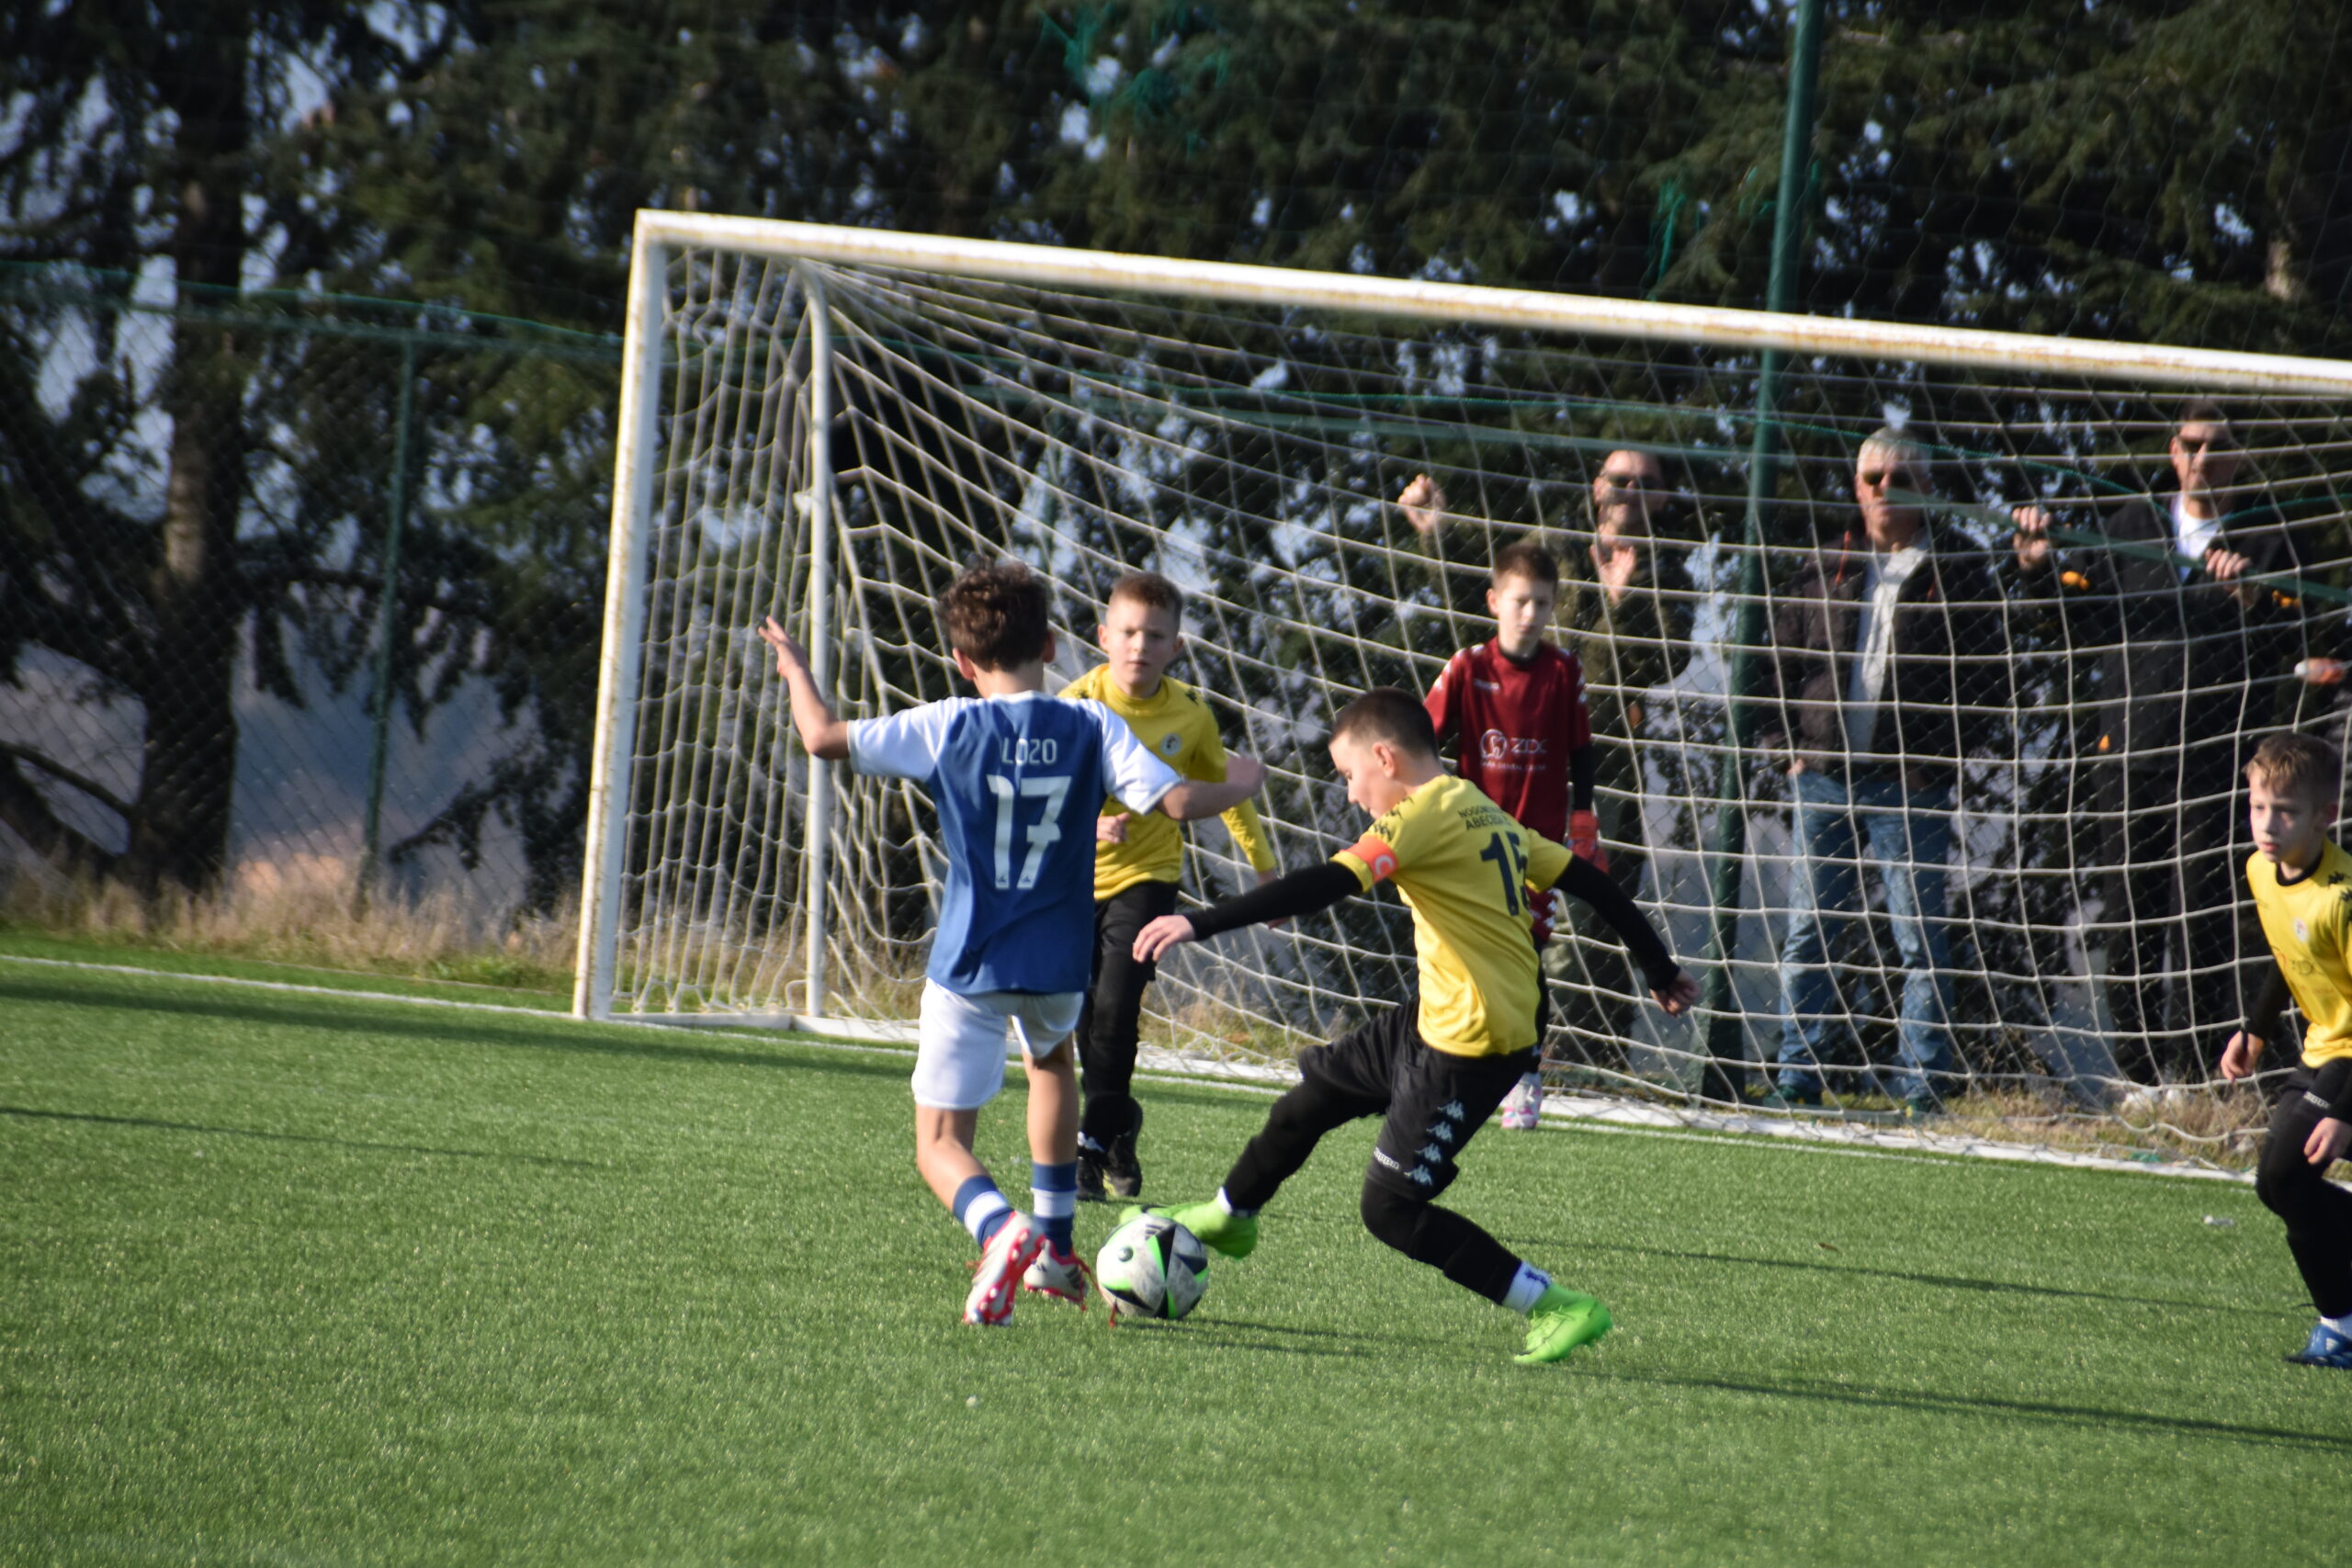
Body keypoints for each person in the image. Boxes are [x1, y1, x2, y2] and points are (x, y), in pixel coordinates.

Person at [757, 560, 1265, 1325]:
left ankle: (1000, 1227)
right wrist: (1242, 785)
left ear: (963, 662)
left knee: (938, 1141)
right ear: (1053, 645)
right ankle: (1055, 1248)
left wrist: (797, 669)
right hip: (1058, 961)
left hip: (970, 961)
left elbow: (821, 737)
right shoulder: (1092, 723)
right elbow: (1178, 799)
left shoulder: (947, 723)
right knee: (1053, 1063)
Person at [1125, 687, 1699, 1364]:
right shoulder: (1479, 807)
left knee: (1391, 1208)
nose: (1350, 794)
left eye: (1349, 775)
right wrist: (1659, 967)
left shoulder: (1420, 816)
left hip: (1473, 1042)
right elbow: (1592, 883)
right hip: (1437, 1015)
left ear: (1385, 758)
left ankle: (1557, 1304)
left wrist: (1199, 921)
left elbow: (1329, 882)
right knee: (1317, 1091)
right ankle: (1230, 1215)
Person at [2018, 400, 2315, 1080]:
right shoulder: (2130, 524)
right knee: (2130, 920)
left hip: (2217, 762)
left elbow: (2297, 643)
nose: (2204, 457)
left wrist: (2252, 602)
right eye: (2192, 444)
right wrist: (2035, 567)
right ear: (2172, 451)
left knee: (2201, 921)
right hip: (2127, 755)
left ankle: (2196, 1075)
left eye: (2219, 446)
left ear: (2240, 456)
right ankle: (2139, 1075)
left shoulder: (2270, 538)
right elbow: (2073, 620)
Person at [1758, 429, 2013, 1116]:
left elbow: (1988, 682)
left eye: (1901, 478)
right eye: (1873, 477)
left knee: (1919, 938)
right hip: (1823, 777)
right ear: (1856, 484)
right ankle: (1797, 1074)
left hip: (1909, 785)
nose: (1884, 489)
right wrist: (1790, 749)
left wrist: (1935, 764)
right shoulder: (1824, 563)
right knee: (1810, 932)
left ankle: (1922, 1087)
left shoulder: (1959, 570)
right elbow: (1777, 664)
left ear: (1926, 489)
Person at [1060, 570, 1280, 1201]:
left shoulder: (1190, 714)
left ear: (1176, 646)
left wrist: (1265, 871)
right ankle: (1117, 1123)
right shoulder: (1075, 704)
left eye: (1155, 635)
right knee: (1081, 1015)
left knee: (1116, 1006)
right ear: (1104, 636)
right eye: (1129, 632)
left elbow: (1225, 790)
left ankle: (1089, 1151)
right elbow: (1045, 794)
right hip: (1073, 880)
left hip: (1148, 879)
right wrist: (1089, 825)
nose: (1140, 645)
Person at [1396, 489, 1599, 1131]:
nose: (1531, 613)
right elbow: (1423, 741)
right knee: (1454, 952)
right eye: (1520, 601)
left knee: (1527, 959)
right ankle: (1438, 1064)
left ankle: (1528, 1076)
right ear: (1494, 602)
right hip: (1471, 841)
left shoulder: (1564, 671)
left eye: (1543, 602)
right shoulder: (1467, 667)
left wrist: (1585, 820)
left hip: (1534, 847)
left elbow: (1582, 751)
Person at [2217, 730, 2352, 1369]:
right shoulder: (2259, 870)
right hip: (2326, 1047)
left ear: (2326, 815)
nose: (2268, 824)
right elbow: (2286, 949)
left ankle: (2340, 1327)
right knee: (2278, 1186)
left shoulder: (2342, 898)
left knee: (2286, 1176)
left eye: (2287, 811)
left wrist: (2345, 1112)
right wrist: (2256, 1030)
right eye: (2258, 806)